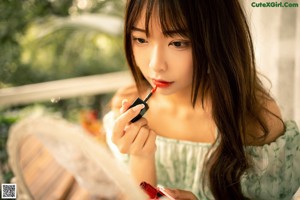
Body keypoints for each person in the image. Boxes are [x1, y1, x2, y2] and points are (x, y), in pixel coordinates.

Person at [103, 0, 300, 199]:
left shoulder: (256, 119)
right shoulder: (128, 106)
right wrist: (141, 156)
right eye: (141, 39)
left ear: (218, 40)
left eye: (178, 43)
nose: (156, 65)